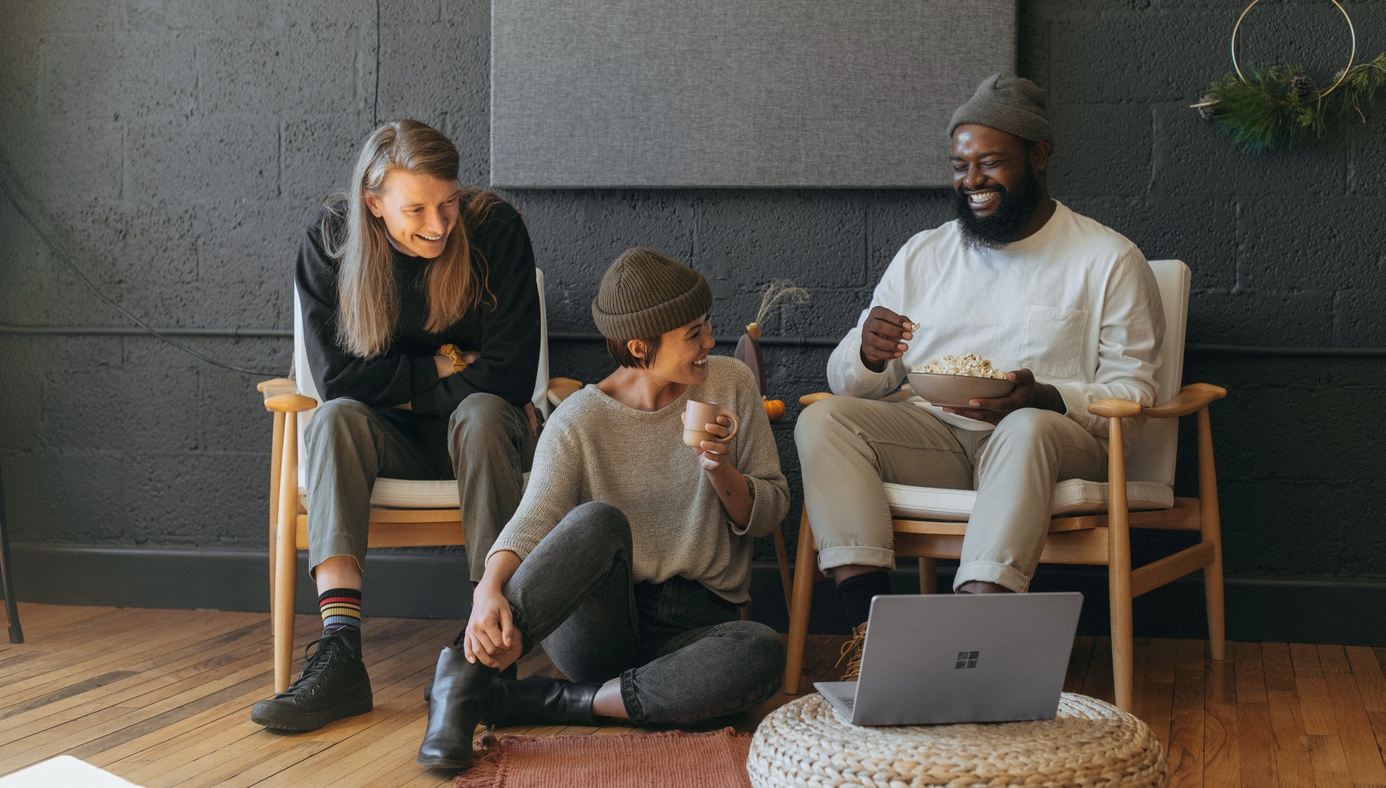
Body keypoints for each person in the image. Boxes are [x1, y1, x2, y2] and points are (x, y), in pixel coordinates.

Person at [794, 72, 1165, 677]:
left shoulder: (1107, 259)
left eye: (991, 163)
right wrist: (869, 352)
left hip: (1054, 444)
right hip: (936, 436)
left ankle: (971, 640)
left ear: (1038, 157)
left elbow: (1135, 393)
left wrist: (1047, 397)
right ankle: (870, 640)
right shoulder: (925, 254)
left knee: (1026, 426)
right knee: (824, 420)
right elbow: (851, 384)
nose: (972, 181)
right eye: (960, 166)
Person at [415, 248, 789, 771]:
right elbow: (534, 518)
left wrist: (720, 469)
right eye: (693, 334)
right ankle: (464, 677)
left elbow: (770, 512)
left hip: (697, 629)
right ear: (640, 346)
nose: (709, 341)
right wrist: (487, 590)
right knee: (596, 521)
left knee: (761, 650)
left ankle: (558, 702)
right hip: (599, 628)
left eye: (707, 325)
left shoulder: (730, 384)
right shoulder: (578, 419)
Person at [251, 119, 542, 732]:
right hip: (387, 444)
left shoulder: (495, 230)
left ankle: (489, 647)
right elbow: (336, 380)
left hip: (487, 440)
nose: (439, 224)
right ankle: (340, 654)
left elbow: (512, 378)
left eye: (448, 202)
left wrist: (397, 388)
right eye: (417, 209)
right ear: (373, 203)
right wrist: (447, 365)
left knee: (483, 413)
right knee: (333, 420)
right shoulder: (331, 240)